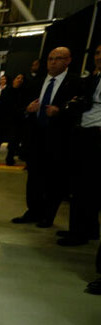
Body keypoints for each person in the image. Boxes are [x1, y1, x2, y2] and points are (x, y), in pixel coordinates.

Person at [11, 47, 83, 228]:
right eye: (50, 59)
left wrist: (60, 112)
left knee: (54, 179)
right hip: (36, 135)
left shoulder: (75, 82)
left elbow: (79, 109)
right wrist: (28, 110)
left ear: (68, 61)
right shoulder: (37, 82)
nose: (53, 62)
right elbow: (21, 107)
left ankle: (47, 215)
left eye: (58, 59)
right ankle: (33, 211)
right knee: (34, 176)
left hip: (59, 139)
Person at [58, 43, 100, 246]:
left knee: (87, 187)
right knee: (80, 185)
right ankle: (84, 229)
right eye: (98, 53)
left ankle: (81, 232)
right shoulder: (92, 79)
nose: (99, 57)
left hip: (95, 135)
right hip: (83, 133)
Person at [0, 73, 27, 165]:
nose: (20, 80)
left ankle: (9, 158)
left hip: (17, 121)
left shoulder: (23, 93)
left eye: (22, 79)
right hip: (4, 120)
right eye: (18, 78)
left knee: (13, 141)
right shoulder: (6, 91)